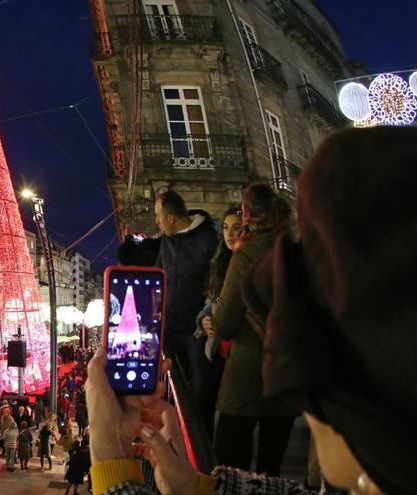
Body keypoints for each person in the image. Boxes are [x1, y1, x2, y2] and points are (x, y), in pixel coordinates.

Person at [83, 127, 417, 494]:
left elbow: (224, 321)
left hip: (242, 385)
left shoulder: (247, 255)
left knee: (229, 447)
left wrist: (109, 450)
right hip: (264, 400)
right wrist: (199, 488)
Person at [213, 184, 297, 476]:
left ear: (247, 214)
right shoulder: (297, 249)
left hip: (247, 377)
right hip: (287, 374)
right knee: (271, 469)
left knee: (230, 465)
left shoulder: (248, 254)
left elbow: (224, 323)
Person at [154, 190, 217, 406]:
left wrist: (206, 318)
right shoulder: (166, 241)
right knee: (172, 390)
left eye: (159, 217)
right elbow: (157, 276)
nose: (157, 222)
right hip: (170, 329)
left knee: (201, 393)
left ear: (171, 218)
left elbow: (216, 284)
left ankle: (203, 438)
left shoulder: (209, 239)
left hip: (196, 332)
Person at [193, 205, 242, 438]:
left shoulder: (249, 262)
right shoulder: (220, 262)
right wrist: (204, 320)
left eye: (236, 228)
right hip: (217, 351)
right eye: (225, 228)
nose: (230, 233)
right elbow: (208, 303)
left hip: (241, 353)